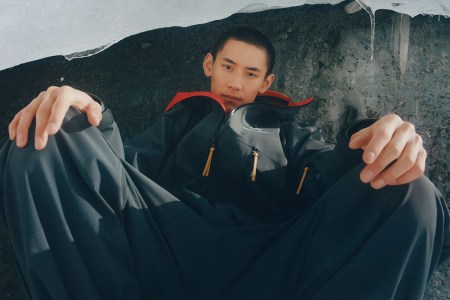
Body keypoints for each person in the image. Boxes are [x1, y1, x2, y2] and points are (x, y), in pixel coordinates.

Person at [0, 27, 449, 300]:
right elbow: (117, 170)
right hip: (166, 245)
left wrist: (375, 142)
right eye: (229, 67)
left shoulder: (291, 133)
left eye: (251, 74)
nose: (236, 83)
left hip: (268, 260)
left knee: (406, 190)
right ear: (209, 65)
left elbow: (328, 180)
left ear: (267, 82)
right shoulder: (178, 121)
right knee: (46, 135)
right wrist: (86, 115)